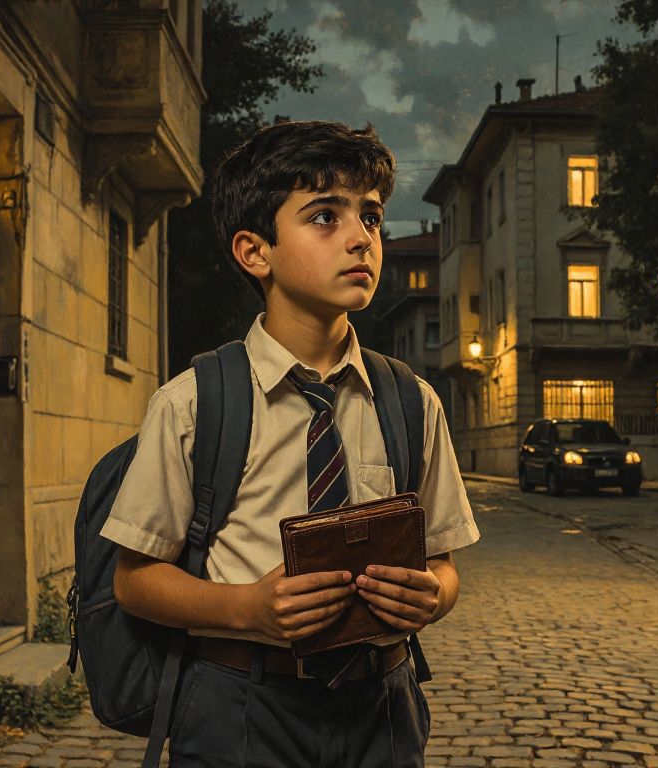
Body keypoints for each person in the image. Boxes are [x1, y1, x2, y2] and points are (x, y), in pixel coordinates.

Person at [100, 120, 480, 768]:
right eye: (326, 216)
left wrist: (432, 596)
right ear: (255, 251)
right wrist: (246, 608)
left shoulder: (412, 401)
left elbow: (442, 565)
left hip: (381, 711)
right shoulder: (194, 404)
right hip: (240, 706)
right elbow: (134, 581)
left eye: (371, 216)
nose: (361, 237)